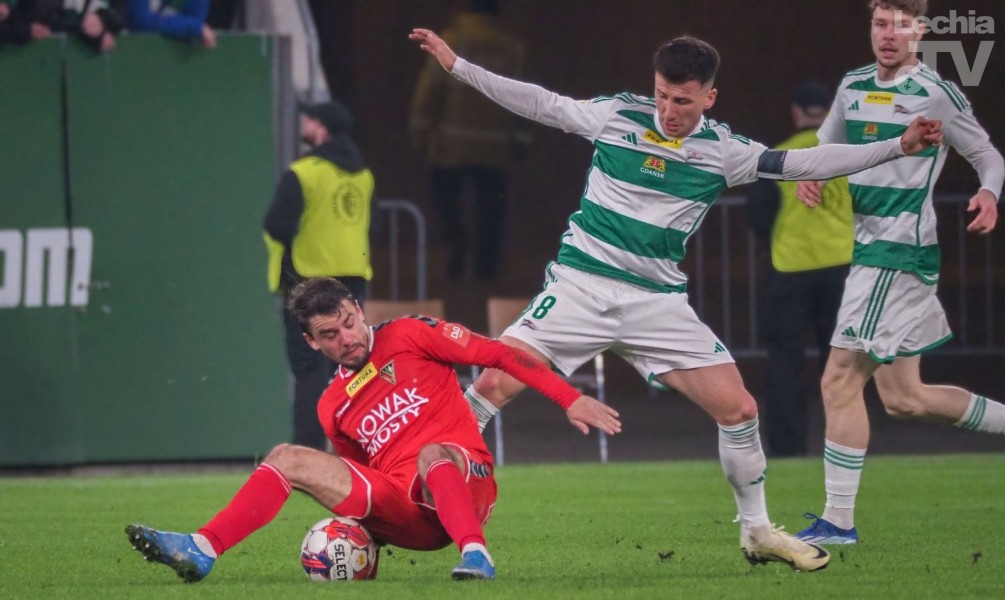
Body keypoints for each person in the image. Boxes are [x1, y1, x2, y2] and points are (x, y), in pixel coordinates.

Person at [409, 28, 943, 572]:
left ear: (709, 97)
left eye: (682, 101)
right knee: (492, 385)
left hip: (656, 303)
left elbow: (807, 162)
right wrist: (459, 67)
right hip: (580, 287)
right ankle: (419, 497)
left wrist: (896, 147)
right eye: (662, 95)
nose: (668, 110)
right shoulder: (618, 115)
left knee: (740, 409)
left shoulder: (724, 152)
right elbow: (542, 103)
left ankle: (758, 531)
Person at [125, 277, 621, 582]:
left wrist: (570, 398)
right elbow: (363, 478)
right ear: (312, 343)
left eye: (347, 322)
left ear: (359, 310)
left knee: (432, 454)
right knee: (285, 456)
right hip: (409, 515)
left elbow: (499, 355)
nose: (345, 338)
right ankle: (202, 549)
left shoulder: (410, 334)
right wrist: (359, 541)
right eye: (329, 334)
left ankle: (476, 554)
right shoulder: (331, 405)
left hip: (465, 483)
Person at [792, 0, 1004, 545]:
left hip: (898, 254)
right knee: (905, 398)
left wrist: (988, 192)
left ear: (922, 31)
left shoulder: (935, 92)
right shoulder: (853, 85)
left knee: (839, 379)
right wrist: (812, 175)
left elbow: (987, 154)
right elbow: (825, 147)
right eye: (880, 23)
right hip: (872, 251)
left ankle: (838, 522)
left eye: (901, 25)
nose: (888, 34)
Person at [745, 81, 854, 457]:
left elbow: (758, 215)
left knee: (784, 361)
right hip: (841, 268)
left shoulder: (781, 157)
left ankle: (788, 449)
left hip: (789, 268)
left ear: (796, 112)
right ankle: (844, 444)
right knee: (842, 364)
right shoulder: (850, 156)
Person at [264, 100, 375, 451]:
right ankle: (362, 445)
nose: (305, 124)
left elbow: (276, 224)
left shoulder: (304, 172)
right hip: (352, 283)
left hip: (308, 281)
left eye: (310, 119)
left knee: (309, 369)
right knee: (353, 365)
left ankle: (308, 452)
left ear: (321, 129)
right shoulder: (363, 176)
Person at [408, 0, 528, 281]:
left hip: (451, 144)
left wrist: (420, 135)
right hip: (495, 146)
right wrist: (522, 140)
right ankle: (486, 266)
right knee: (491, 207)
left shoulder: (451, 41)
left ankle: (456, 251)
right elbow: (526, 98)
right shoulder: (513, 48)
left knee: (448, 202)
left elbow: (429, 93)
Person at [125, 0, 215, 48]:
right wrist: (192, 27)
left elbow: (196, 20)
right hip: (134, 54)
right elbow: (140, 21)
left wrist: (193, 27)